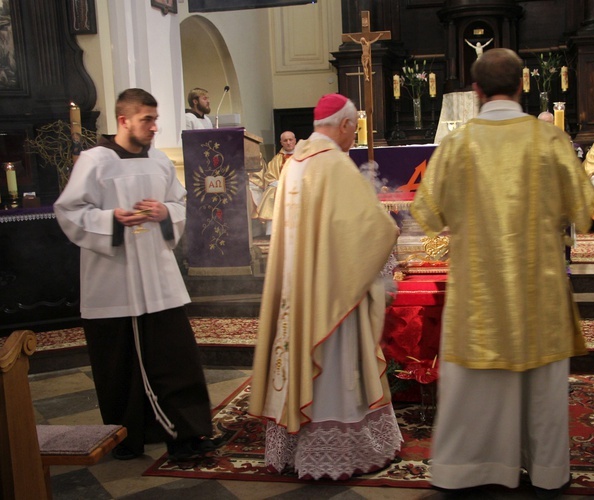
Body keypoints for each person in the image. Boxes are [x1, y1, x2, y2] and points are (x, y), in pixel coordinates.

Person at [410, 48, 594, 496]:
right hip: (540, 293)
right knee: (542, 392)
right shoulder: (548, 140)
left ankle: (469, 469)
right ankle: (546, 468)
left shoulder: (458, 143)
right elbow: (585, 208)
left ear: (475, 91)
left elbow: (426, 213)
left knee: (475, 387)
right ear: (522, 85)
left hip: (480, 294)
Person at [54, 88, 220, 462]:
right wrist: (108, 219)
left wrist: (165, 212)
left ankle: (191, 434)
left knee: (178, 358)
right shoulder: (94, 161)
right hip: (115, 279)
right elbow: (69, 211)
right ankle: (126, 437)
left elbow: (180, 203)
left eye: (155, 118)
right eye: (147, 119)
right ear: (124, 120)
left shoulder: (160, 161)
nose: (154, 127)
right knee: (120, 367)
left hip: (159, 279)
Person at [248, 93, 403, 480]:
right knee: (335, 370)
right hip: (331, 296)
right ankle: (336, 456)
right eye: (354, 130)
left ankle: (296, 448)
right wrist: (390, 249)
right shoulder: (335, 164)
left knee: (296, 360)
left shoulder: (294, 162)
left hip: (293, 292)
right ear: (346, 125)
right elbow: (370, 230)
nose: (353, 137)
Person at [256, 130, 296, 237]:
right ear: (281, 143)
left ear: (295, 141)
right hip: (281, 188)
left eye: (290, 140)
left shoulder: (303, 156)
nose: (288, 143)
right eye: (285, 140)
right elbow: (270, 177)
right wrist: (280, 184)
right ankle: (273, 232)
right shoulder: (277, 159)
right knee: (271, 194)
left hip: (299, 188)